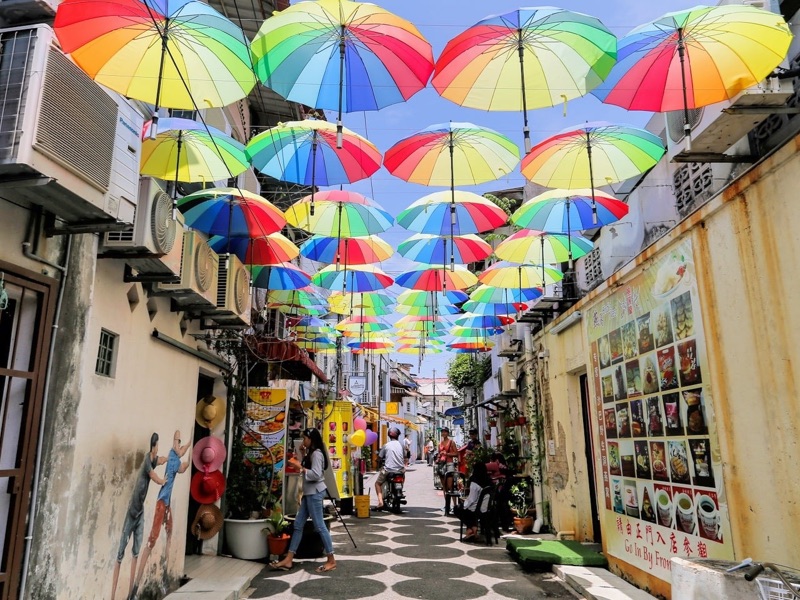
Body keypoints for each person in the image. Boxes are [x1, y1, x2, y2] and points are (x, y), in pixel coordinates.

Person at [131, 430, 191, 597]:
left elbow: (181, 459)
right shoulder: (174, 458)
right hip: (161, 503)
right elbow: (182, 465)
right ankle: (136, 586)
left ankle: (164, 573)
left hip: (166, 503)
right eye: (177, 442)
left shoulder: (173, 457)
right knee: (151, 541)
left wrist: (188, 445)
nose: (179, 446)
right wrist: (187, 447)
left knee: (169, 533)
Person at [270, 428, 336, 573]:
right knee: (298, 525)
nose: (304, 441)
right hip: (309, 493)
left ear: (311, 439)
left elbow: (316, 474)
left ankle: (331, 559)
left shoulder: (317, 454)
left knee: (319, 526)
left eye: (305, 438)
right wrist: (303, 454)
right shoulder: (311, 453)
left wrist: (299, 466)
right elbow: (308, 467)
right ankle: (289, 558)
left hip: (315, 494)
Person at [111, 433, 166, 600]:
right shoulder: (146, 460)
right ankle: (113, 596)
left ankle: (130, 595)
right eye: (157, 446)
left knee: (135, 553)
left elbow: (161, 460)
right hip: (132, 512)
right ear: (154, 446)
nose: (158, 449)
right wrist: (162, 481)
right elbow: (153, 476)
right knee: (120, 553)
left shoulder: (154, 459)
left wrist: (170, 458)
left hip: (140, 511)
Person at [454, 461, 492, 542]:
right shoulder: (488, 480)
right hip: (485, 507)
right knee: (467, 510)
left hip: (477, 507)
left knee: (457, 509)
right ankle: (472, 529)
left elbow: (472, 499)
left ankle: (471, 529)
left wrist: (464, 505)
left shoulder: (475, 482)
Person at [375, 427, 405, 510]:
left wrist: (377, 460)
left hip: (388, 470)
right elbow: (405, 456)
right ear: (398, 436)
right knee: (403, 475)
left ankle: (380, 502)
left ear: (389, 435)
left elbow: (379, 457)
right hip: (400, 470)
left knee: (377, 483)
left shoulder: (386, 445)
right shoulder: (401, 445)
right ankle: (401, 488)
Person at [437, 427, 459, 516]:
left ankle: (455, 505)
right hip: (442, 464)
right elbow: (439, 453)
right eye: (442, 432)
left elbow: (456, 453)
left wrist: (447, 454)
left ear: (448, 433)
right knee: (444, 486)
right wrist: (439, 457)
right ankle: (447, 505)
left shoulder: (451, 442)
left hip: (449, 464)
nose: (443, 433)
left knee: (450, 486)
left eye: (445, 431)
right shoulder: (440, 443)